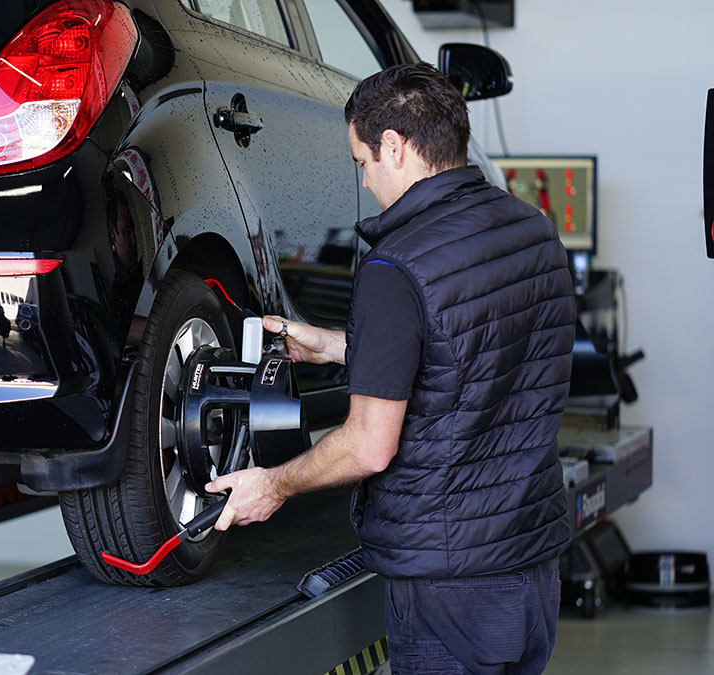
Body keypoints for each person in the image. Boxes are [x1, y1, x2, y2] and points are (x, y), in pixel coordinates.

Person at [206, 63, 576, 674]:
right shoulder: (532, 231)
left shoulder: (396, 267)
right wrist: (339, 345)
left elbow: (369, 448)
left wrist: (270, 485)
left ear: (395, 147)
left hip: (448, 580)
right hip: (531, 560)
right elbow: (472, 351)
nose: (367, 181)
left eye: (363, 161)